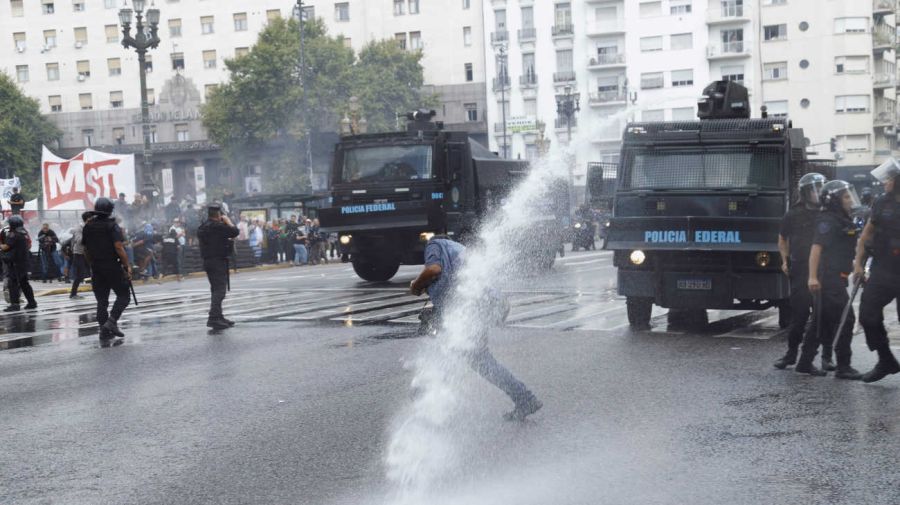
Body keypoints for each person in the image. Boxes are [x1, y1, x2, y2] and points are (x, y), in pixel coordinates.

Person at [409, 236, 542, 421]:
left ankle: (426, 401)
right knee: (479, 360)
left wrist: (416, 286)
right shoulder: (459, 251)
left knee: (454, 353)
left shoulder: (435, 244)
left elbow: (433, 269)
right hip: (484, 306)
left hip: (471, 308)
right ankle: (524, 398)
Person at [795, 180, 863, 379]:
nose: (850, 199)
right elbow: (816, 249)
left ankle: (804, 363)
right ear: (833, 200)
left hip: (836, 277)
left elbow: (839, 251)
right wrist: (813, 277)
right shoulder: (828, 220)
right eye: (845, 196)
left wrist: (856, 269)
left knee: (821, 321)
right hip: (828, 279)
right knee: (846, 319)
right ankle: (843, 366)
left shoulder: (840, 219)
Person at [774, 173, 833, 370]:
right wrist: (784, 259)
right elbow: (782, 239)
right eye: (813, 189)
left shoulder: (828, 212)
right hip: (800, 270)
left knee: (824, 315)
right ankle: (791, 354)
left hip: (824, 270)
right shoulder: (793, 214)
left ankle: (826, 356)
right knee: (799, 315)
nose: (817, 193)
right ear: (805, 193)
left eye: (820, 188)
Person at [855, 160, 900, 383]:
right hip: (883, 269)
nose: (885, 182)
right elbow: (866, 235)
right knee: (867, 314)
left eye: (890, 178)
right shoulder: (882, 202)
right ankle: (886, 360)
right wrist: (858, 265)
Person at [81, 198, 131, 344]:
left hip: (96, 267)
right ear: (110, 210)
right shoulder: (112, 226)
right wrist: (127, 266)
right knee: (124, 295)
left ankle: (104, 331)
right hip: (111, 266)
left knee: (101, 301)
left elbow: (86, 250)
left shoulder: (88, 226)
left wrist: (92, 264)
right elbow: (118, 247)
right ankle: (111, 321)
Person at [197, 204, 239, 330]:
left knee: (216, 290)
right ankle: (214, 318)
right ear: (219, 215)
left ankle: (219, 316)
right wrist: (228, 221)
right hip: (218, 261)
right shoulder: (218, 226)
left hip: (208, 261)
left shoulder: (203, 227)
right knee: (220, 291)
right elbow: (235, 232)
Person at [1, 215, 37, 312]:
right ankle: (32, 302)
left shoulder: (13, 234)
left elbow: (6, 247)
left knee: (13, 283)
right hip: (23, 262)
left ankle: (15, 305)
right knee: (24, 283)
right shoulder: (24, 233)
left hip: (15, 263)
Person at [64, 213, 91, 299]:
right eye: (91, 219)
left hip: (87, 254)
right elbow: (79, 240)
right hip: (78, 254)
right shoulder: (79, 228)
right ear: (87, 219)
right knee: (80, 274)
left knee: (92, 271)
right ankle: (73, 294)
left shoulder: (89, 227)